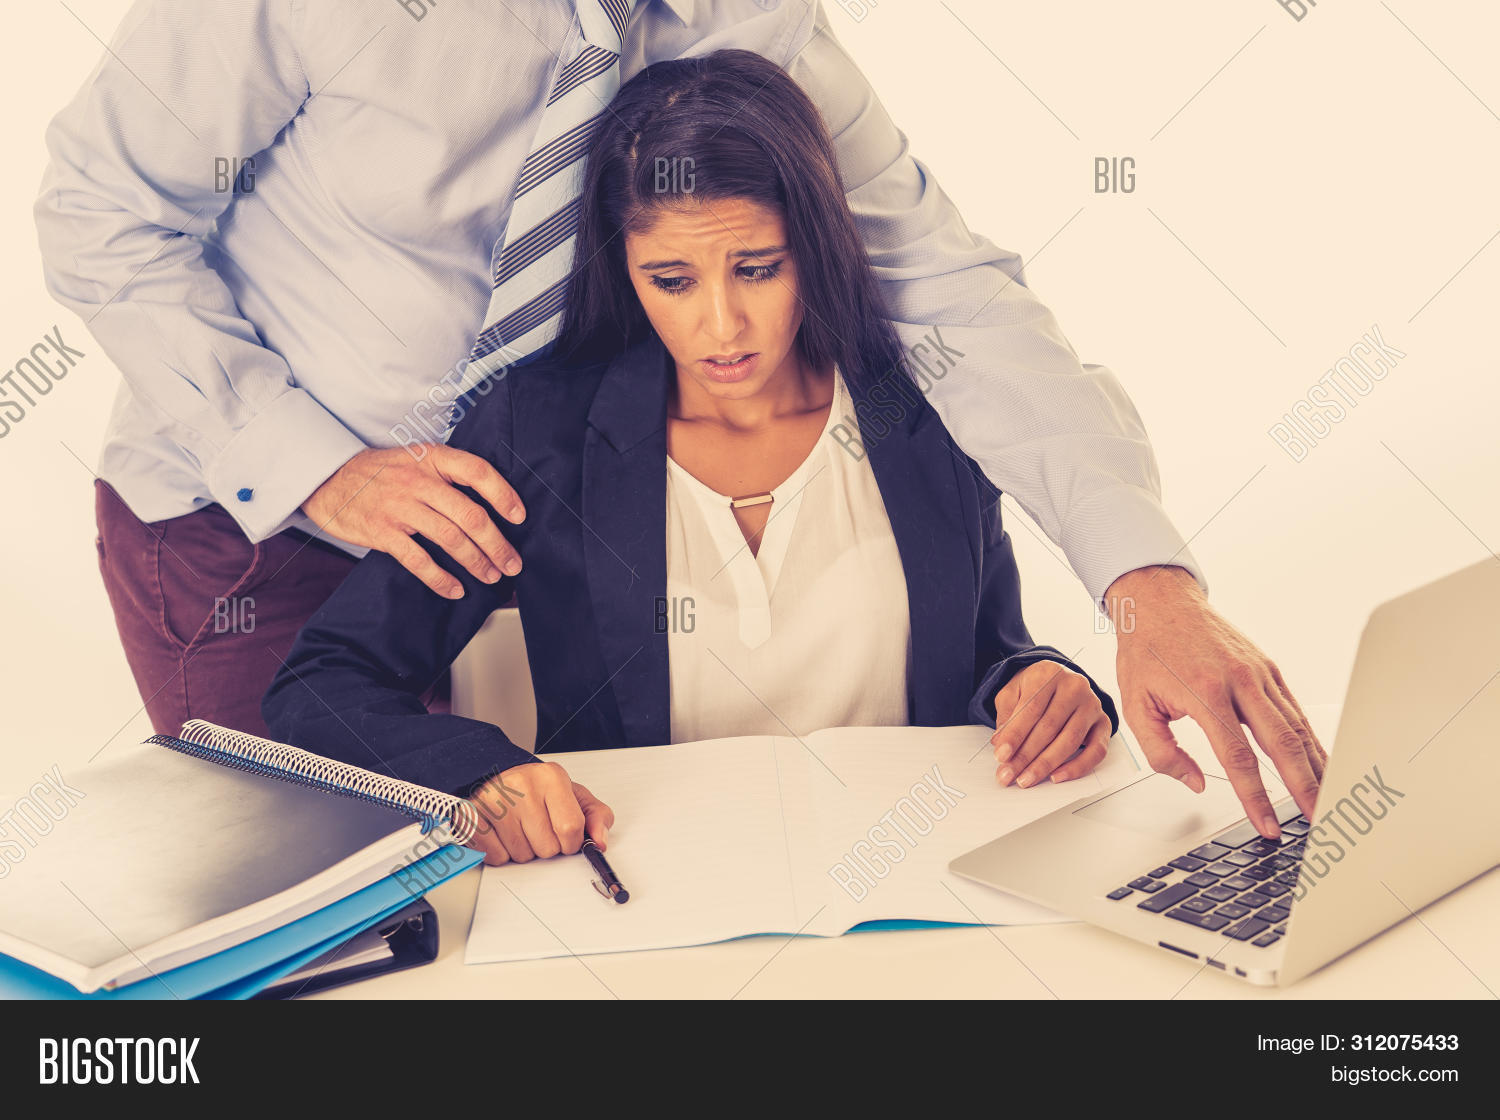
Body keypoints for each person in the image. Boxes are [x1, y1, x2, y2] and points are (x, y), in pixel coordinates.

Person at [36, 0, 1323, 839]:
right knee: (302, 927)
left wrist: (1147, 586)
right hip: (253, 521)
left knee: (487, 901)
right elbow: (101, 212)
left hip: (533, 503)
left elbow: (946, 293)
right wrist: (322, 470)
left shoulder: (750, 21)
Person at [263, 50, 1120, 865]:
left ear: (815, 246)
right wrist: (477, 772)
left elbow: (988, 652)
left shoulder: (923, 411)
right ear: (623, 266)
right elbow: (324, 682)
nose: (721, 326)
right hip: (642, 891)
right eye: (672, 281)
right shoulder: (540, 429)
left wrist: (1039, 683)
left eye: (757, 269)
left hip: (908, 877)